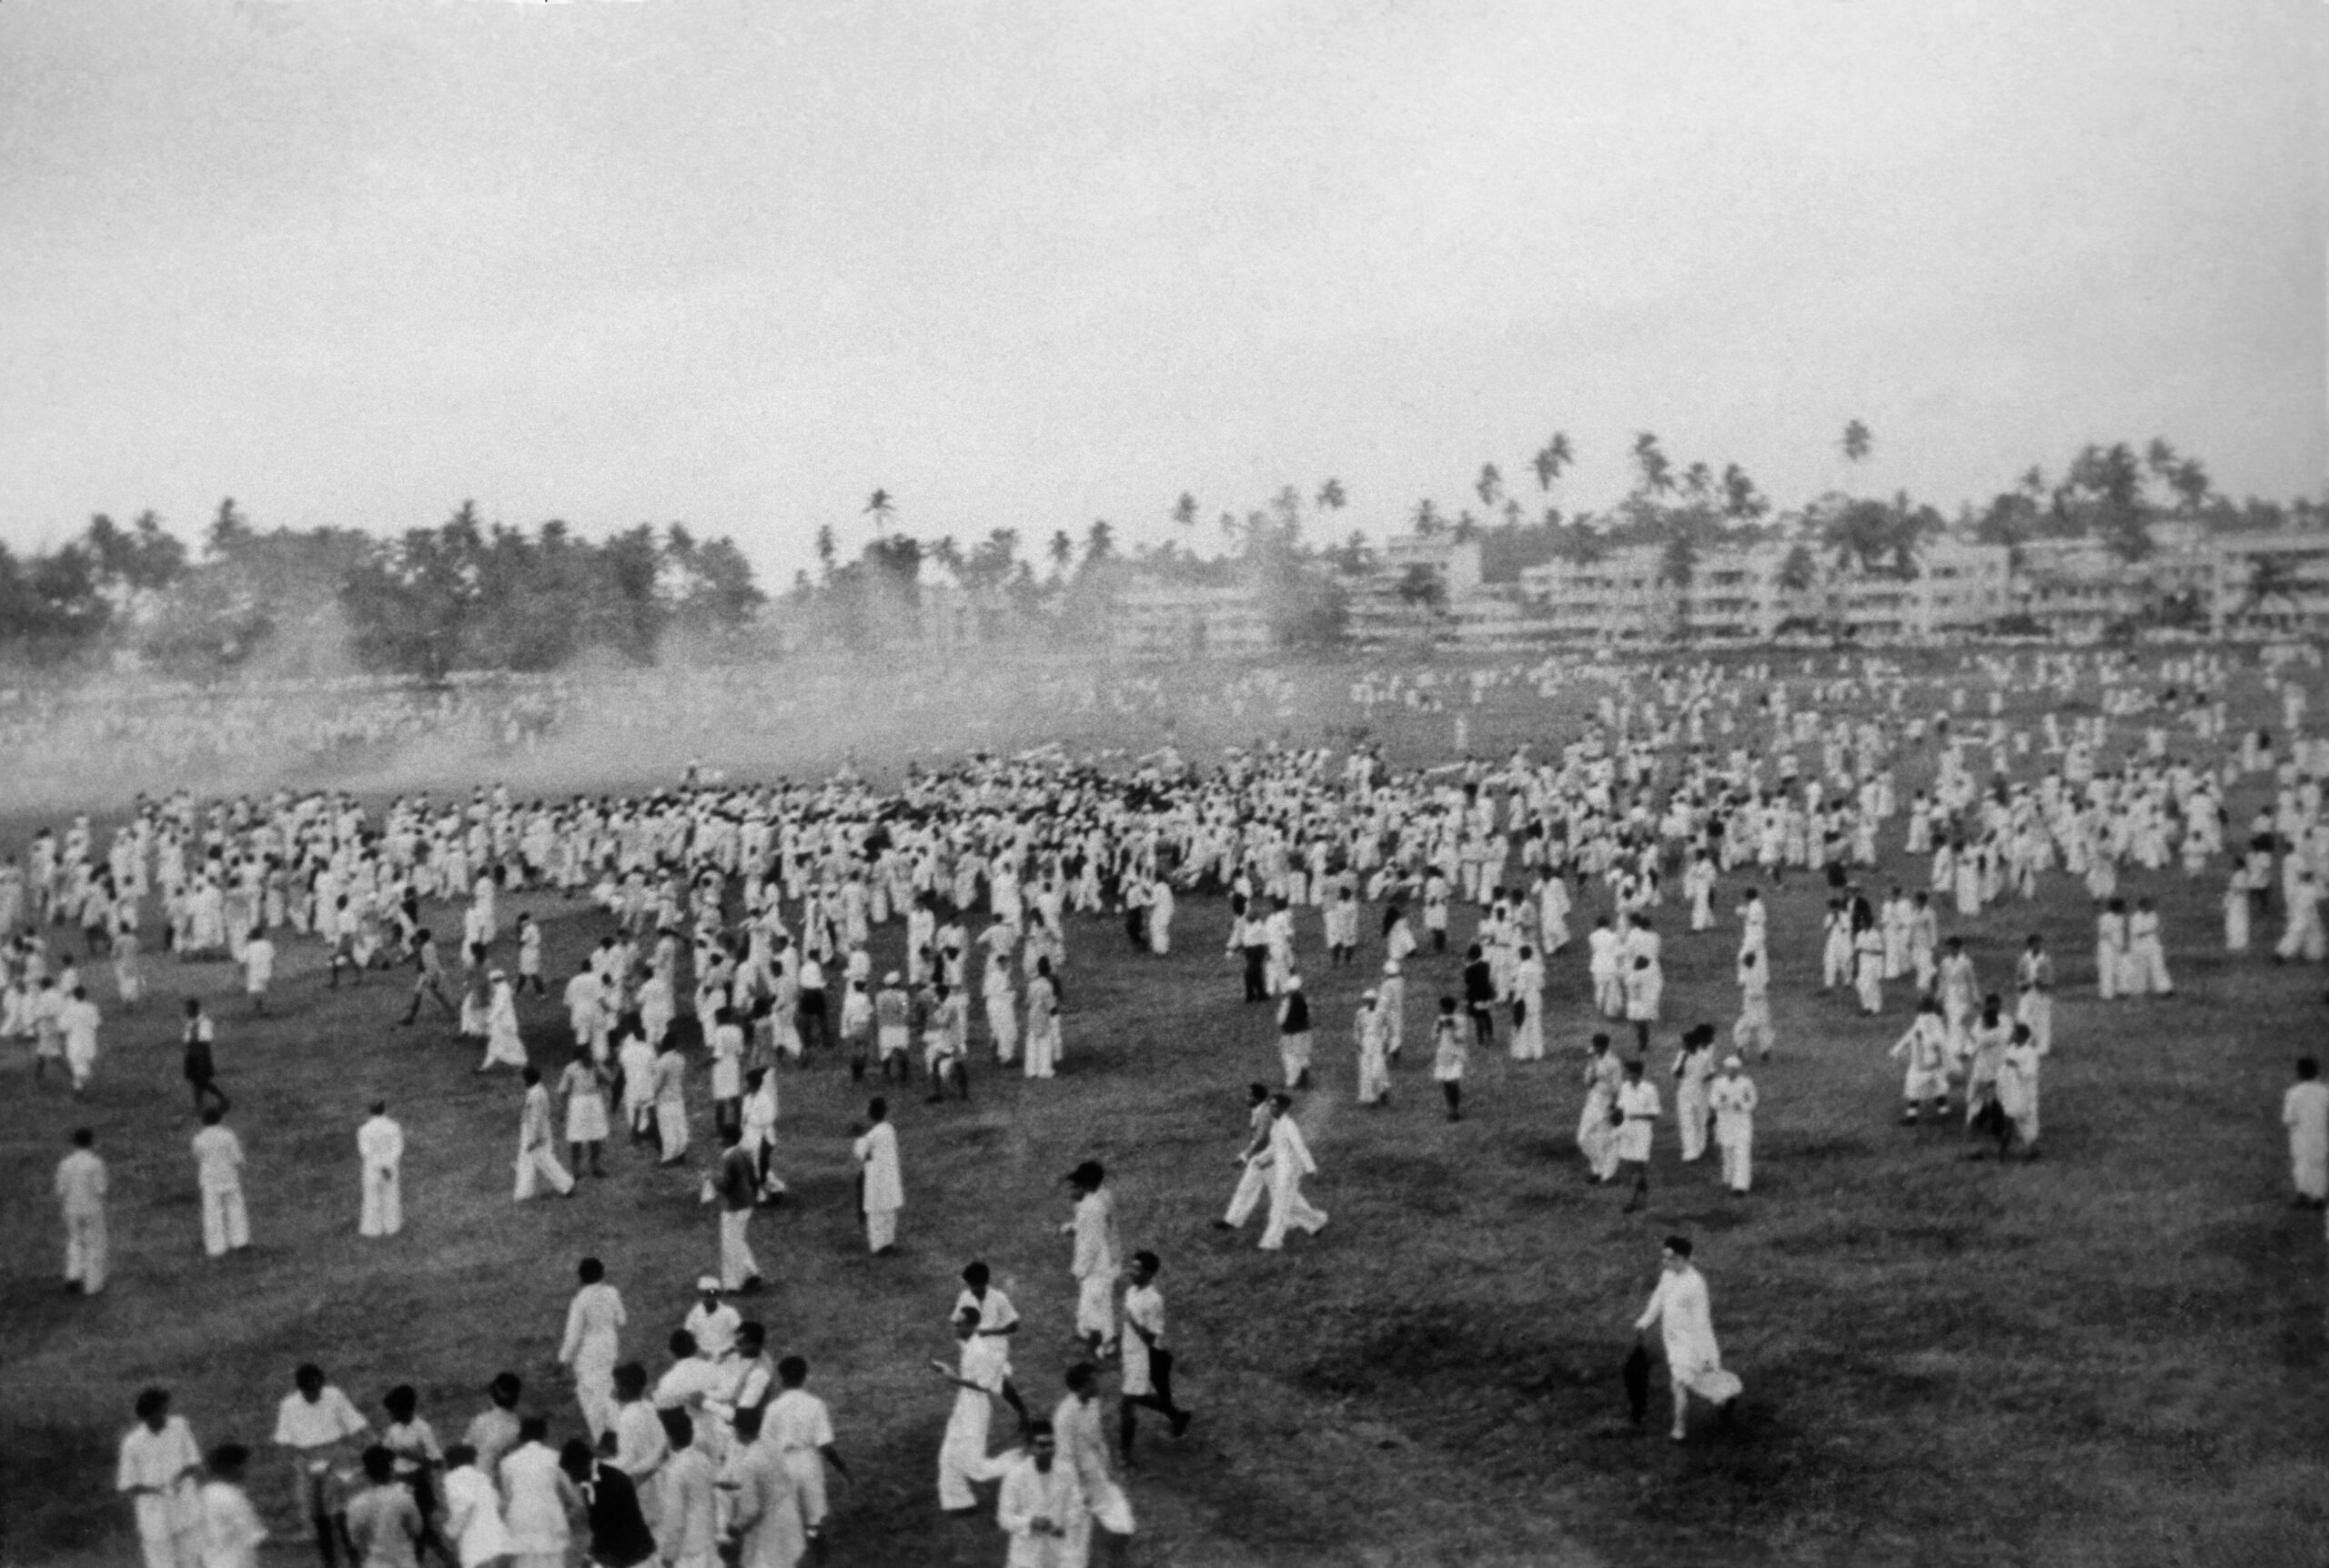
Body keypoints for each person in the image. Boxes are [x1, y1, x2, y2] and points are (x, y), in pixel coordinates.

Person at [1632, 1235, 1740, 1442]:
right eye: (1664, 1258)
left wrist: (1706, 1355)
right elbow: (1657, 1301)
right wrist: (1644, 1322)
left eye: (1669, 1258)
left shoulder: (1696, 1284)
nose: (1665, 1262)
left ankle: (1724, 1400)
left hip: (1697, 1344)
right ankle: (1679, 1430)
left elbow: (1702, 1322)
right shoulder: (1667, 1276)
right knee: (1680, 1383)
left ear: (1682, 1258)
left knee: (1707, 1378)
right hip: (1676, 1344)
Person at [272, 1363, 371, 1568]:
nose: (315, 1394)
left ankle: (354, 1557)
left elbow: (355, 1422)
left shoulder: (334, 1395)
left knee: (342, 1508)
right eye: (310, 1392)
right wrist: (288, 1465)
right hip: (307, 1459)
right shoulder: (289, 1405)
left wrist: (372, 1441)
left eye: (318, 1390)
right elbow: (285, 1440)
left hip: (335, 1454)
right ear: (301, 1390)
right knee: (317, 1512)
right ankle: (329, 1560)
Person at [931, 1308, 1021, 1513]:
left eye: (960, 1324)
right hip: (964, 1404)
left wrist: (951, 1377)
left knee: (975, 1467)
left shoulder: (980, 1350)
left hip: (976, 1409)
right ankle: (958, 1502)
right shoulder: (970, 1343)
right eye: (955, 1323)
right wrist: (946, 1369)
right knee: (948, 1453)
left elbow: (983, 1385)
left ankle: (1022, 1461)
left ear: (971, 1325)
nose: (956, 1327)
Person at [764, 1356, 848, 1558]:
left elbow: (766, 1444)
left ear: (781, 1379)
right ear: (806, 1377)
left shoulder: (773, 1408)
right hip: (809, 1462)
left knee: (785, 1513)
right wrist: (841, 1468)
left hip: (783, 1462)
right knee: (813, 1514)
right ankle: (817, 1548)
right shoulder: (815, 1404)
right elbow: (825, 1444)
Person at [1054, 1364, 1134, 1566]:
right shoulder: (1064, 1416)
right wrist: (1078, 1490)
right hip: (1078, 1480)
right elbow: (1065, 1457)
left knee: (1122, 1520)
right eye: (1093, 1381)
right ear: (1083, 1386)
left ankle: (1116, 1557)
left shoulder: (1093, 1402)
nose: (1098, 1383)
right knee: (1077, 1535)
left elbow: (1098, 1438)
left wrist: (1109, 1468)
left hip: (1098, 1472)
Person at [1117, 1251, 1191, 1465]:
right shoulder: (1131, 1291)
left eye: (1137, 1269)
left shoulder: (1154, 1301)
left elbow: (1150, 1337)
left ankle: (1126, 1455)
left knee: (1126, 1404)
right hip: (1130, 1352)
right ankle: (1178, 1416)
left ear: (1149, 1273)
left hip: (1143, 1356)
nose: (1132, 1272)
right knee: (1138, 1396)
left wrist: (1131, 1322)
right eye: (1132, 1267)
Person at [118, 1387, 204, 1568]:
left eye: (166, 1410)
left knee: (191, 1561)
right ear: (147, 1416)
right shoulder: (133, 1442)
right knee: (161, 1564)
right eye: (160, 1412)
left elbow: (194, 1462)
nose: (165, 1415)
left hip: (184, 1506)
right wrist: (158, 1490)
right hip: (154, 1514)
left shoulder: (180, 1425)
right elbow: (128, 1485)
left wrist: (178, 1478)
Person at [716, 1406, 805, 1568]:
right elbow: (770, 1479)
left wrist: (733, 1529)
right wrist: (735, 1485)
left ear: (738, 1430)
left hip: (770, 1526)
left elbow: (751, 1511)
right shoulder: (771, 1446)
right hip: (789, 1514)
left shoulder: (749, 1462)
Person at [994, 1422, 1084, 1568]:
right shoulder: (1016, 1475)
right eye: (1042, 1445)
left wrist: (1062, 1525)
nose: (1049, 1449)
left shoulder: (1067, 1472)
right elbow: (1004, 1518)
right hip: (1025, 1557)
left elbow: (1076, 1507)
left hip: (1058, 1555)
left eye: (1052, 1444)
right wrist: (1030, 1522)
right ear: (1031, 1447)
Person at [377, 1387, 449, 1568]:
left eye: (393, 1411)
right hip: (401, 1483)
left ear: (405, 1410)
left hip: (419, 1484)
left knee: (419, 1529)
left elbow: (437, 1461)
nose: (390, 1415)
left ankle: (447, 1560)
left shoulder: (422, 1429)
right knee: (415, 1529)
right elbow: (385, 1452)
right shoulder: (393, 1430)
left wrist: (411, 1455)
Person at [556, 1440, 658, 1568]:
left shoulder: (610, 1483)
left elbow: (612, 1530)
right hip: (625, 1555)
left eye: (572, 1472)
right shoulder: (591, 1483)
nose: (571, 1479)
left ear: (583, 1465)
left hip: (635, 1558)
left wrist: (593, 1558)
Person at [560, 1257, 628, 1442]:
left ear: (580, 1277)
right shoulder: (612, 1292)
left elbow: (573, 1336)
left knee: (590, 1396)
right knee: (606, 1390)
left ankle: (604, 1439)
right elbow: (622, 1320)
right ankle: (619, 1433)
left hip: (588, 1353)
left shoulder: (580, 1301)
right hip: (609, 1345)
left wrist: (564, 1359)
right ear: (602, 1274)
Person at [1062, 1160, 1123, 1360]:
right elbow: (1089, 1230)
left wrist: (1080, 1269)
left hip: (1097, 1266)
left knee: (1092, 1308)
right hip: (1102, 1262)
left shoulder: (1092, 1207)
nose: (1071, 1191)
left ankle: (1098, 1347)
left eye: (1076, 1186)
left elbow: (1093, 1243)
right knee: (1101, 1305)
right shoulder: (1090, 1203)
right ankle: (1106, 1341)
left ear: (1087, 1187)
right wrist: (1073, 1228)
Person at [497, 1418, 576, 1568]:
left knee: (525, 1561)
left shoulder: (507, 1462)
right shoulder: (555, 1456)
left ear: (521, 1436)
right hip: (550, 1514)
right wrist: (569, 1509)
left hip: (520, 1515)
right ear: (544, 1434)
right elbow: (571, 1491)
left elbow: (508, 1497)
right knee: (554, 1560)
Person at [1256, 1092, 1326, 1251]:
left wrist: (1311, 1169)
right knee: (1291, 1203)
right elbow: (1276, 1147)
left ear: (1282, 1108)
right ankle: (1316, 1222)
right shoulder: (1276, 1125)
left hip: (1290, 1172)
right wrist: (1263, 1159)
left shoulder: (1289, 1126)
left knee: (1280, 1207)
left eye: (1274, 1105)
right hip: (1281, 1170)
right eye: (1270, 1105)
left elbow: (1300, 1148)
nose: (1270, 1108)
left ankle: (1271, 1242)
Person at [701, 1128, 766, 1292]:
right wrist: (755, 1194)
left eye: (722, 1137)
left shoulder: (729, 1157)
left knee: (730, 1244)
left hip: (733, 1207)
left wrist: (711, 1178)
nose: (719, 1141)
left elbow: (726, 1185)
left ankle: (733, 1284)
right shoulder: (745, 1153)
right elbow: (753, 1177)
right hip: (746, 1203)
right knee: (738, 1240)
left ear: (729, 1139)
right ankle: (751, 1273)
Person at [655, 1411, 720, 1568]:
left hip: (687, 1549)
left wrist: (668, 1554)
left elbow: (675, 1516)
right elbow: (713, 1500)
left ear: (669, 1438)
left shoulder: (676, 1471)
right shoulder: (703, 1460)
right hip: (707, 1539)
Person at [345, 1445, 424, 1568]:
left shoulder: (355, 1504)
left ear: (366, 1473)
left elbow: (355, 1540)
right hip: (404, 1561)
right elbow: (416, 1529)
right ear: (391, 1470)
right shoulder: (403, 1497)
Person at [434, 1444, 511, 1568]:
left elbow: (464, 1507)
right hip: (497, 1540)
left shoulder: (452, 1478)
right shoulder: (483, 1477)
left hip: (475, 1545)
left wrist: (450, 1532)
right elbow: (498, 1503)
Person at [191, 1106, 251, 1259]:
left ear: (203, 1121)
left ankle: (215, 1248)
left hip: (210, 1180)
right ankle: (240, 1241)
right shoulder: (228, 1135)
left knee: (212, 1213)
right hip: (229, 1177)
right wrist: (241, 1165)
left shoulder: (198, 1139)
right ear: (220, 1119)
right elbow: (237, 1157)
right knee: (235, 1208)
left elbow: (197, 1157)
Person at [197, 1443, 270, 1568]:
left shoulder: (202, 1494)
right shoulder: (233, 1497)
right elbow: (254, 1536)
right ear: (233, 1468)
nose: (248, 1471)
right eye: (246, 1465)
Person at [56, 1125, 108, 1294]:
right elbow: (101, 1189)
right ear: (91, 1142)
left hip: (71, 1208)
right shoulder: (96, 1163)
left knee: (75, 1240)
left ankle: (73, 1275)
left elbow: (60, 1190)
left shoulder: (65, 1164)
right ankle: (93, 1285)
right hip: (92, 1208)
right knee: (94, 1243)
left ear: (74, 1143)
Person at [1216, 1083, 1275, 1231]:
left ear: (1257, 1098)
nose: (1246, 1098)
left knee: (1247, 1188)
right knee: (1282, 1192)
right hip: (1268, 1154)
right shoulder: (1260, 1110)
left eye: (1249, 1095)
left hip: (1266, 1155)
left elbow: (1262, 1139)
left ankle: (1231, 1222)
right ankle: (1314, 1222)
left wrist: (1245, 1156)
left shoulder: (1265, 1113)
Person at [513, 1067, 575, 1201]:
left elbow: (536, 1118)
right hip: (532, 1130)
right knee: (526, 1161)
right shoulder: (537, 1090)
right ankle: (524, 1192)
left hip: (535, 1132)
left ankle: (566, 1185)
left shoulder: (536, 1095)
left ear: (527, 1079)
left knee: (544, 1160)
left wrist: (533, 1139)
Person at [1889, 997, 1951, 1126]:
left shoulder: (1923, 1019)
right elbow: (1941, 1040)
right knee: (1937, 1086)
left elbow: (1913, 1034)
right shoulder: (1937, 1020)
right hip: (1936, 1060)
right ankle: (1944, 1113)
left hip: (1923, 1058)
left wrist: (1896, 1050)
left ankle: (1912, 1118)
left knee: (1914, 1088)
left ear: (1922, 1008)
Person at [852, 1098, 902, 1255]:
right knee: (889, 1212)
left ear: (870, 1114)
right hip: (889, 1176)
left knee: (875, 1214)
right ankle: (889, 1242)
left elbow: (859, 1153)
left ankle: (878, 1246)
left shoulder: (871, 1136)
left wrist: (860, 1135)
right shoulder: (889, 1129)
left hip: (875, 1178)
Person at [1995, 1020, 2051, 1159]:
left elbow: (2030, 1073)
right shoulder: (2011, 1049)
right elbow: (2003, 1069)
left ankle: (2031, 1150)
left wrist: (2016, 1066)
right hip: (2010, 1091)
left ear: (2022, 1036)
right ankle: (2002, 1153)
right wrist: (1998, 1082)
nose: (2012, 1035)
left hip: (2025, 1093)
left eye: (2015, 1033)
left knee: (2027, 1123)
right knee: (2009, 1121)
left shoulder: (2030, 1053)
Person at [1614, 1057, 1660, 1213]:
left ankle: (1635, 1201)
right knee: (1630, 1167)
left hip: (1642, 1132)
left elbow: (1654, 1115)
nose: (1627, 1075)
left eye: (1629, 1072)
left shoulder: (1649, 1089)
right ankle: (1637, 1199)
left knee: (1638, 1166)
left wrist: (1637, 1116)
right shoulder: (1625, 1087)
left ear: (1637, 1073)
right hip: (1627, 1130)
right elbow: (1620, 1107)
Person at [1708, 1054, 1758, 1197]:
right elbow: (1712, 1102)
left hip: (1742, 1122)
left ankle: (1740, 1185)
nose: (1732, 1072)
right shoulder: (1719, 1083)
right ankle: (1729, 1177)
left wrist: (1742, 1105)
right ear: (1725, 1069)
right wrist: (1722, 1102)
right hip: (1725, 1122)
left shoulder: (1746, 1083)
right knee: (1728, 1150)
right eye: (1729, 1069)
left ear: (1738, 1070)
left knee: (1742, 1151)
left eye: (1734, 1069)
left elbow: (1753, 1101)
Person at [2284, 1058, 2329, 1208]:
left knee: (2301, 1165)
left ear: (2298, 1074)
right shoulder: (2325, 1092)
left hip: (2300, 1137)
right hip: (2321, 1135)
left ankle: (2302, 1194)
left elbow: (2289, 1118)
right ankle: (2318, 1197)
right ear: (2317, 1072)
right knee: (2319, 1165)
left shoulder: (2294, 1093)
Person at [358, 1101, 405, 1239]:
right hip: (390, 1168)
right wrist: (387, 1165)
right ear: (385, 1109)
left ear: (370, 1110)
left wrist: (378, 1165)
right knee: (391, 1195)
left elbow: (365, 1152)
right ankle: (392, 1226)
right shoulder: (394, 1127)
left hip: (372, 1168)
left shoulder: (364, 1129)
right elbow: (397, 1149)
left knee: (372, 1197)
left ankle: (373, 1229)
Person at [182, 998, 229, 1117]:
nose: (186, 1011)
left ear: (195, 1009)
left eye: (188, 1009)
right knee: (195, 1081)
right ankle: (198, 1105)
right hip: (191, 1053)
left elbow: (206, 1038)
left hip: (202, 1053)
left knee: (203, 1081)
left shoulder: (205, 1022)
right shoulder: (190, 1022)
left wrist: (193, 1041)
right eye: (186, 1009)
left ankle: (222, 1098)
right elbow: (186, 1039)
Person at [1430, 994, 1468, 1121]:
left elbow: (1461, 1037)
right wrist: (1439, 1028)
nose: (1442, 1010)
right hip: (1443, 1055)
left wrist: (1453, 1027)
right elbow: (1434, 1037)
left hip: (1456, 1054)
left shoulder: (1460, 1019)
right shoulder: (1440, 1019)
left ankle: (1454, 1110)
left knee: (1454, 1083)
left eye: (1443, 1008)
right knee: (1446, 1084)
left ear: (1450, 1008)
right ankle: (1450, 1109)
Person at [1275, 973, 1313, 1090]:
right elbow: (1309, 1014)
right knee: (1302, 1056)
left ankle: (1292, 1082)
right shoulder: (1304, 999)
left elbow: (1280, 1019)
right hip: (1304, 1032)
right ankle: (1304, 1079)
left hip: (1290, 1033)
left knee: (1289, 1057)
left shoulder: (1288, 1001)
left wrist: (1282, 1024)